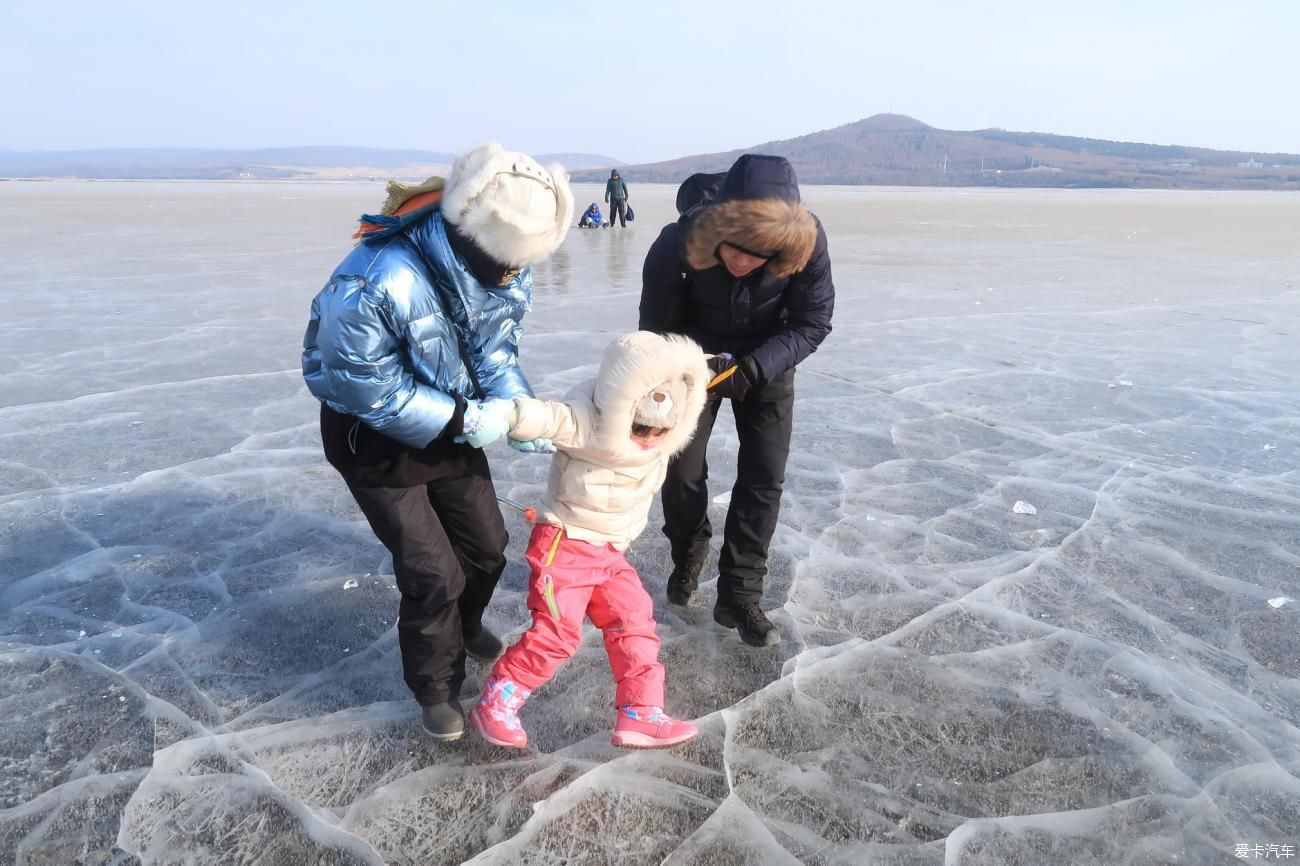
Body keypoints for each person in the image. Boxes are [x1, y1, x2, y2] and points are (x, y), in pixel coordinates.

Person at [301, 143, 574, 741]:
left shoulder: (503, 264)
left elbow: (495, 349)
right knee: (432, 575)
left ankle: (466, 625)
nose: (510, 275)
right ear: (470, 233)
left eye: (518, 265)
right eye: (502, 263)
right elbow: (365, 386)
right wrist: (463, 418)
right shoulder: (374, 279)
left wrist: (517, 410)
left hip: (455, 421)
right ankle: (436, 689)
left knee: (487, 547)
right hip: (373, 441)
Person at [464, 331, 709, 750]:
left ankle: (640, 712)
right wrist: (503, 417)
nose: (648, 438)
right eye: (639, 427)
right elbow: (545, 416)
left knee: (635, 622)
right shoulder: (588, 420)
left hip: (612, 551)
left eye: (658, 431)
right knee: (558, 633)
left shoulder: (663, 433)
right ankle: (497, 702)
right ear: (620, 404)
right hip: (566, 545)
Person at [638, 153, 834, 647]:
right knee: (680, 470)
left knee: (763, 477)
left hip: (766, 362)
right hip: (691, 362)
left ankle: (740, 595)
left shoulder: (807, 243)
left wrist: (755, 368)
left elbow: (812, 322)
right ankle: (688, 551)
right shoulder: (676, 242)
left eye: (759, 254)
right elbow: (657, 329)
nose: (743, 261)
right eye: (734, 248)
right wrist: (690, 369)